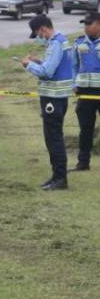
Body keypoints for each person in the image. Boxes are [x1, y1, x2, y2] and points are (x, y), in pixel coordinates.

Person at [23, 14, 75, 190]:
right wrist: (40, 61)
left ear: (43, 29)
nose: (39, 37)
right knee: (54, 137)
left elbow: (47, 72)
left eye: (38, 34)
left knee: (53, 139)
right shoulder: (62, 40)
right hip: (58, 96)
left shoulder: (55, 44)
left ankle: (60, 178)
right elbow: (56, 66)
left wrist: (28, 65)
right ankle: (56, 176)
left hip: (53, 97)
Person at [73, 12, 100, 171]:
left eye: (88, 24)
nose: (85, 27)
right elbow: (73, 66)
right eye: (84, 24)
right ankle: (83, 162)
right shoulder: (78, 43)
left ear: (97, 24)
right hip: (84, 93)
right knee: (85, 129)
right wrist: (73, 83)